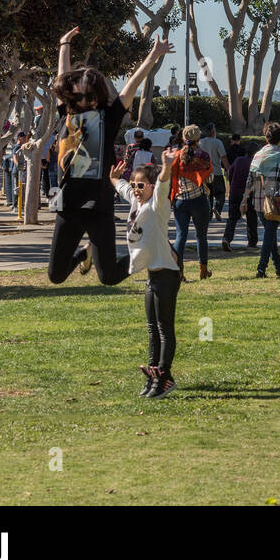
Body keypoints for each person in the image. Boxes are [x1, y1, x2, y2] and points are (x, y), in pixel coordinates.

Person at [47, 26, 170, 285]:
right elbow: (62, 76)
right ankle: (84, 254)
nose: (73, 87)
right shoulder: (65, 114)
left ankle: (148, 253)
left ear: (92, 92)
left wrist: (154, 56)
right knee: (56, 275)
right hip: (68, 203)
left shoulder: (109, 116)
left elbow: (131, 85)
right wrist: (64, 45)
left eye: (79, 86)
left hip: (98, 204)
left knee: (110, 277)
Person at [109, 153, 181, 398]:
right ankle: (153, 373)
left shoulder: (157, 206)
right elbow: (123, 190)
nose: (136, 189)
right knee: (152, 328)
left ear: (151, 186)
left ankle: (165, 376)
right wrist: (116, 180)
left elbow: (163, 185)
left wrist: (167, 167)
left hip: (167, 275)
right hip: (152, 275)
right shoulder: (137, 204)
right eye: (135, 185)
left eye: (141, 185)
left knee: (164, 328)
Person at [166, 125, 214, 281]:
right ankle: (203, 269)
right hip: (199, 200)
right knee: (201, 236)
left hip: (180, 201)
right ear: (198, 139)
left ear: (182, 138)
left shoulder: (177, 156)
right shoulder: (203, 156)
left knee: (181, 236)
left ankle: (178, 271)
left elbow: (170, 177)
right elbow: (209, 178)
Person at [246, 123, 280, 277]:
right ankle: (261, 268)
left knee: (270, 233)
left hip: (258, 198)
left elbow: (250, 178)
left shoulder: (258, 155)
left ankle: (278, 266)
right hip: (275, 199)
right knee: (269, 234)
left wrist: (244, 198)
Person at [222, 144, 258, 252]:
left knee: (232, 218)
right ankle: (252, 242)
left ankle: (227, 238)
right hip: (249, 193)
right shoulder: (254, 163)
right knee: (251, 218)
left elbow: (230, 173)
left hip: (234, 191)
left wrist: (232, 182)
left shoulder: (238, 160)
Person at [198, 124, 229, 222]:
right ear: (213, 132)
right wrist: (228, 169)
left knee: (208, 195)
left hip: (204, 173)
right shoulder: (218, 142)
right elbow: (223, 157)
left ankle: (209, 214)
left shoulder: (200, 143)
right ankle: (218, 208)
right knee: (220, 193)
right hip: (216, 172)